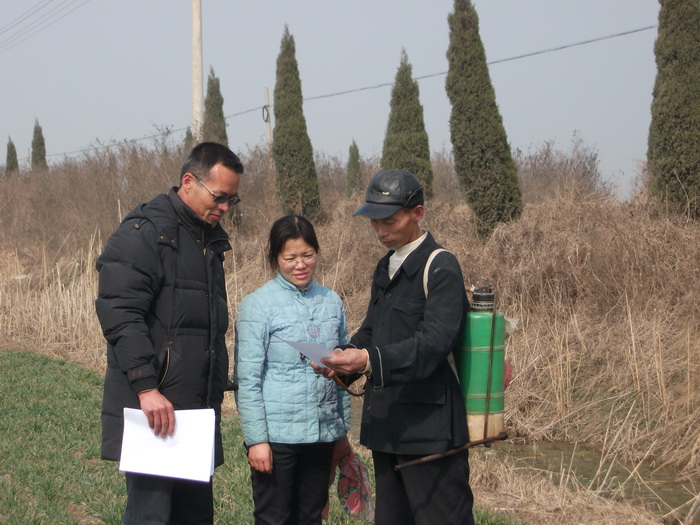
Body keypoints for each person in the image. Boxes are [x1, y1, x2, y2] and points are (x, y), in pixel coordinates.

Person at [95, 142, 244, 524]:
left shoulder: (208, 241)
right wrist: (146, 387)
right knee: (152, 517)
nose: (225, 208)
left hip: (194, 414)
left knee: (194, 517)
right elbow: (120, 314)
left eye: (232, 200)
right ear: (189, 181)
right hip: (154, 412)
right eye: (220, 197)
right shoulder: (144, 233)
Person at [318, 169, 475, 525]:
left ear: (418, 213)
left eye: (389, 220)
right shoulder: (385, 266)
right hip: (387, 425)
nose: (380, 230)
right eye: (374, 221)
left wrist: (367, 359)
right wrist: (342, 358)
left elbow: (433, 343)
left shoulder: (441, 266)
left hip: (430, 431)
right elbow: (372, 331)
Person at [234, 215, 352, 525]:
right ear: (276, 257)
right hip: (277, 438)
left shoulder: (332, 301)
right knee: (274, 518)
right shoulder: (257, 305)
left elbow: (344, 372)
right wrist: (256, 440)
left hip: (321, 435)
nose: (300, 265)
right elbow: (247, 379)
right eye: (290, 258)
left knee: (311, 517)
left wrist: (342, 432)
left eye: (307, 255)